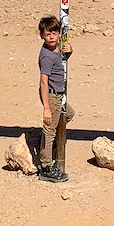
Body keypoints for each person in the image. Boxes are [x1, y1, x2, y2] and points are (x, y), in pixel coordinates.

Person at [37, 15, 75, 183]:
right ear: (42, 36)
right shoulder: (46, 56)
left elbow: (62, 62)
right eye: (48, 34)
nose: (52, 36)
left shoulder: (57, 48)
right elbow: (43, 82)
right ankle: (45, 167)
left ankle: (47, 143)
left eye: (54, 33)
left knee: (68, 114)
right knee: (50, 128)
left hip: (60, 95)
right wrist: (46, 107)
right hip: (51, 95)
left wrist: (70, 51)